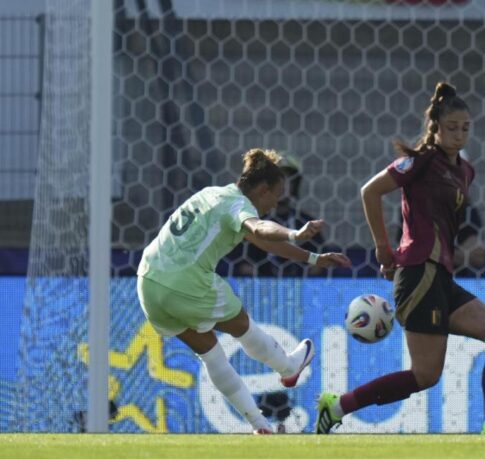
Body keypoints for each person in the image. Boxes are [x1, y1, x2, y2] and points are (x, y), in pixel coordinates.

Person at [314, 82, 485, 435]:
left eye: (465, 128)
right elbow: (370, 191)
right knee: (426, 375)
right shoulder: (420, 162)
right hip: (417, 274)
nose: (459, 135)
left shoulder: (465, 172)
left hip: (441, 276)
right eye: (452, 128)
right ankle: (336, 406)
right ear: (437, 128)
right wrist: (383, 246)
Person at [136, 148, 351, 433]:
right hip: (184, 281)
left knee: (211, 354)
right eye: (275, 195)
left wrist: (312, 258)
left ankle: (259, 424)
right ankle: (287, 368)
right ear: (263, 190)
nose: (275, 204)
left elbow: (263, 242)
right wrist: (294, 233)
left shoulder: (212, 194)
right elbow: (261, 228)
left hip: (148, 281)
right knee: (242, 324)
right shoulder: (237, 206)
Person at [227, 154, 328, 277]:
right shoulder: (250, 219)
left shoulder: (306, 223)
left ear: (295, 184)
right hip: (257, 289)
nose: (283, 186)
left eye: (287, 179)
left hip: (299, 289)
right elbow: (239, 261)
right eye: (277, 181)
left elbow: (320, 263)